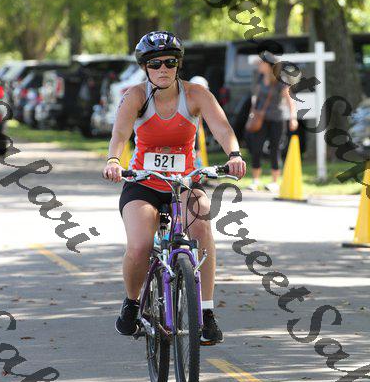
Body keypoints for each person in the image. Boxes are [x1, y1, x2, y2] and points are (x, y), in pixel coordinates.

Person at [103, 31, 246, 345]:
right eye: (155, 64)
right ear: (145, 68)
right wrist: (114, 160)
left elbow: (222, 128)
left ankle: (206, 312)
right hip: (143, 182)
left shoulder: (195, 94)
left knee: (202, 225)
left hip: (184, 181)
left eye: (169, 62)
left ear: (178, 64)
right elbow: (120, 134)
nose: (163, 69)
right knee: (140, 245)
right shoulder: (136, 96)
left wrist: (234, 154)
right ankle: (131, 303)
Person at [246, 56, 298, 193]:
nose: (259, 65)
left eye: (261, 63)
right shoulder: (259, 77)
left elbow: (290, 100)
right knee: (256, 148)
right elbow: (256, 97)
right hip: (260, 119)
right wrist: (252, 112)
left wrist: (293, 118)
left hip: (277, 119)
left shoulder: (280, 80)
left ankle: (274, 182)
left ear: (268, 65)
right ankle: (255, 180)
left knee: (275, 149)